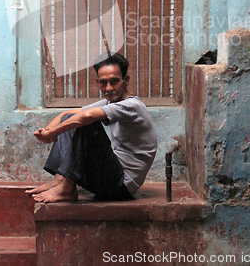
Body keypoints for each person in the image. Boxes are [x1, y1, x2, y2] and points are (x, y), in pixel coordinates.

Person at [26, 53, 158, 203]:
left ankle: (67, 189)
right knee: (70, 119)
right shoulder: (110, 102)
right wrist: (48, 132)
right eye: (103, 83)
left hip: (121, 185)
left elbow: (86, 116)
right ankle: (59, 179)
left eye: (114, 81)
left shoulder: (132, 106)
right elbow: (68, 113)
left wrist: (56, 132)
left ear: (125, 80)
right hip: (106, 180)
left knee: (86, 122)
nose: (109, 88)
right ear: (98, 82)